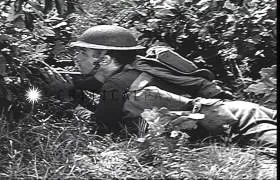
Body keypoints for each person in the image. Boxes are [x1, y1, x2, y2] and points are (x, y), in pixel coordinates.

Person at [45, 25, 277, 147]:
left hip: (241, 122)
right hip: (238, 109)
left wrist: (70, 101)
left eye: (83, 53)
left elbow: (101, 127)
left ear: (104, 60)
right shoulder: (135, 68)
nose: (77, 58)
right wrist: (72, 85)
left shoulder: (114, 85)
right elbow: (94, 83)